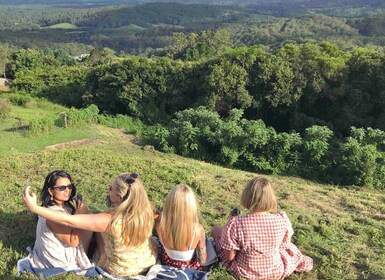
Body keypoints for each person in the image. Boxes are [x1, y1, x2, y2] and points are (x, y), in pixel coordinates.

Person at [22, 172, 158, 277]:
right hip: (148, 260)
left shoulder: (108, 220)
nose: (108, 190)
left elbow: (68, 221)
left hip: (123, 268)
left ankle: (103, 255)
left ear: (120, 198)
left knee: (95, 227)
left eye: (110, 189)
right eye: (62, 188)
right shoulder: (148, 210)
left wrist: (35, 209)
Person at [212, 177, 313, 279]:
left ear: (247, 196)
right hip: (275, 271)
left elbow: (230, 257)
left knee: (216, 230)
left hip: (244, 272)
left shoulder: (236, 223)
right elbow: (286, 243)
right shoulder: (282, 220)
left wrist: (228, 226)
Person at [22, 170, 93, 274]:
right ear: (50, 191)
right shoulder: (53, 215)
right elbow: (73, 242)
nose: (67, 190)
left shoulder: (50, 208)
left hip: (52, 253)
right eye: (62, 188)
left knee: (90, 220)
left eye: (69, 186)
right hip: (59, 261)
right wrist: (80, 216)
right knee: (89, 220)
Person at [155, 184, 206, 269]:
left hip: (166, 262)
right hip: (188, 268)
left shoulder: (159, 223)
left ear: (169, 203)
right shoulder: (198, 229)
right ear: (191, 206)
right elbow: (202, 260)